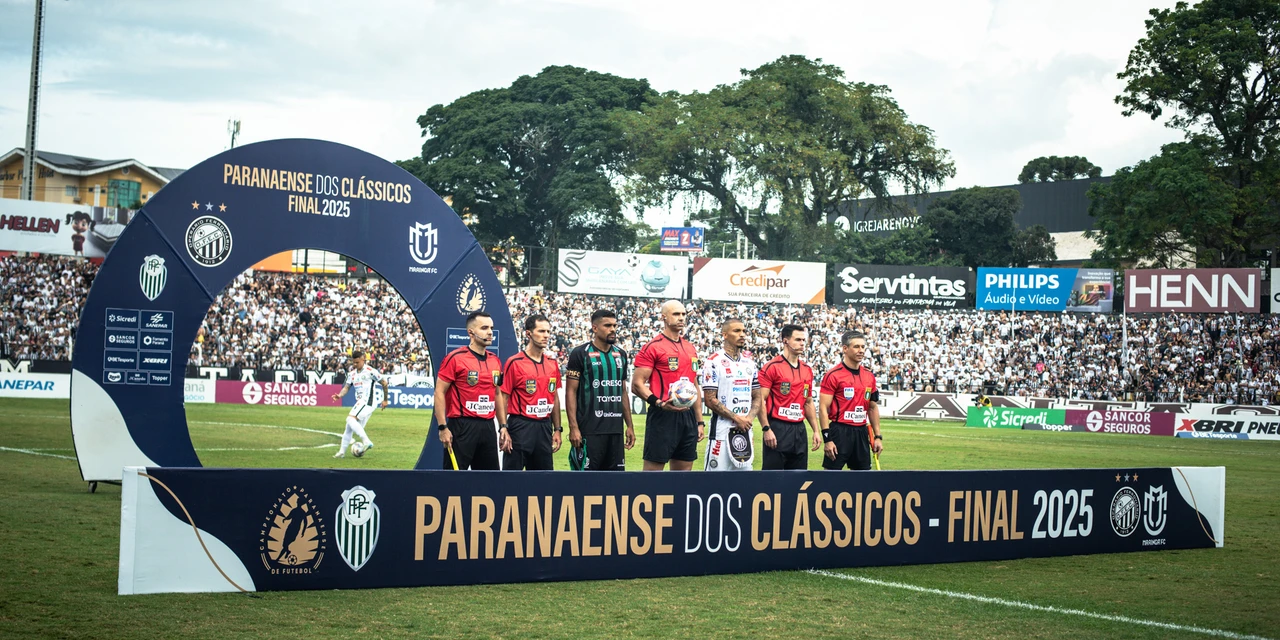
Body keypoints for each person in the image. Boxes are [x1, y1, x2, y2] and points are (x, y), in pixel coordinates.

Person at [631, 299, 704, 471]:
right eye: (676, 314)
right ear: (664, 317)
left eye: (683, 314)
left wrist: (699, 421)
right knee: (653, 474)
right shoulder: (653, 347)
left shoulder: (690, 348)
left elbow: (694, 385)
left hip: (687, 416)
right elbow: (637, 384)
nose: (681, 318)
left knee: (683, 474)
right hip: (663, 414)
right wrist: (659, 403)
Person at [565, 309, 636, 471]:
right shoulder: (580, 354)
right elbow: (571, 392)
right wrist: (573, 428)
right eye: (607, 325)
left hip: (615, 431)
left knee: (615, 484)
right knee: (586, 484)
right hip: (589, 431)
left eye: (615, 325)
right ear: (595, 328)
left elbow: (622, 391)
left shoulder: (621, 355)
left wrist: (629, 426)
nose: (613, 329)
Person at [432, 311, 502, 470]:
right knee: (454, 480)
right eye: (484, 328)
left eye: (491, 327)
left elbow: (497, 393)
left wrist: (503, 426)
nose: (490, 332)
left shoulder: (495, 360)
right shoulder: (455, 357)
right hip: (462, 426)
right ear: (471, 332)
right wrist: (443, 427)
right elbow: (439, 392)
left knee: (489, 479)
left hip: (488, 426)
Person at [497, 314, 562, 470]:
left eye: (548, 331)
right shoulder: (515, 362)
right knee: (512, 478)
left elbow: (555, 398)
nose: (546, 335)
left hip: (544, 427)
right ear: (528, 334)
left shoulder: (552, 364)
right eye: (541, 331)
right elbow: (502, 397)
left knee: (543, 480)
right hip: (521, 426)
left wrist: (558, 429)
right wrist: (503, 427)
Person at [757, 324, 822, 469]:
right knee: (773, 479)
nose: (802, 343)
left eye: (804, 340)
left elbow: (808, 402)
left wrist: (816, 431)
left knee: (798, 479)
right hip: (778, 428)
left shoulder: (807, 370)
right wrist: (766, 429)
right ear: (785, 341)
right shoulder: (772, 367)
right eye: (798, 339)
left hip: (799, 429)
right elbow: (760, 400)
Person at [700, 318, 760, 471]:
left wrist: (748, 419)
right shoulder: (713, 362)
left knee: (744, 483)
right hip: (721, 432)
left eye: (744, 331)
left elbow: (758, 396)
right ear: (725, 335)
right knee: (715, 482)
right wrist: (736, 418)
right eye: (737, 331)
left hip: (745, 430)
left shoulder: (750, 364)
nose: (742, 335)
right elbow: (710, 399)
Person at [819, 330, 883, 471]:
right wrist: (827, 439)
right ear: (845, 348)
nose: (861, 350)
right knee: (830, 479)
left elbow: (872, 408)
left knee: (862, 479)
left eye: (863, 347)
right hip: (839, 432)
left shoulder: (869, 376)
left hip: (861, 432)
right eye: (856, 347)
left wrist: (878, 436)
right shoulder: (833, 375)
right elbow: (823, 408)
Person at [330, 350, 388, 458]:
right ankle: (341, 452)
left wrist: (385, 400)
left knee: (350, 419)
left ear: (363, 360)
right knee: (348, 427)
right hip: (361, 402)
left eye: (357, 362)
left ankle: (366, 441)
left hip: (368, 402)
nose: (355, 365)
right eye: (354, 362)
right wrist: (339, 395)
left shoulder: (371, 371)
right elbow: (347, 387)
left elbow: (384, 383)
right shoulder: (351, 374)